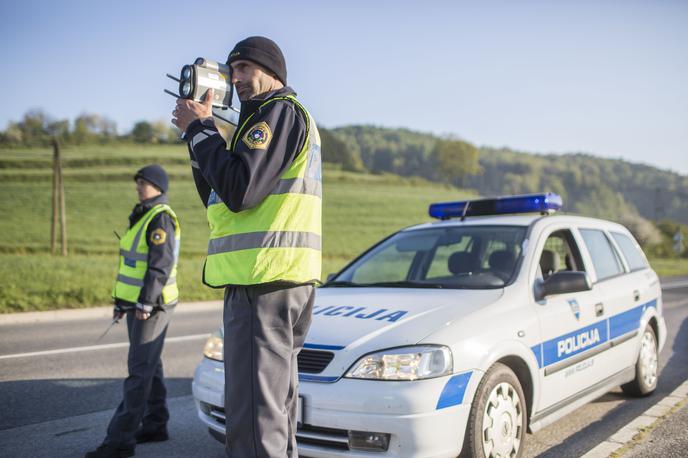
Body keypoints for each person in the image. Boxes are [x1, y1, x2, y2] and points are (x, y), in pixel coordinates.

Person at [172, 36, 322, 457]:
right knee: (273, 408)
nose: (234, 78)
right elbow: (221, 195)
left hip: (264, 280)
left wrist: (200, 128)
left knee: (255, 415)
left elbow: (240, 191)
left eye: (244, 68)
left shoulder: (275, 115)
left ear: (273, 72)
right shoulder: (265, 123)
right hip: (275, 279)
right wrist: (198, 138)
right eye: (231, 70)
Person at [86, 164, 181, 458]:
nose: (139, 187)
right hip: (139, 303)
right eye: (138, 182)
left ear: (158, 187)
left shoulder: (160, 217)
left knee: (139, 371)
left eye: (144, 183)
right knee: (149, 364)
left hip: (153, 305)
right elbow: (133, 265)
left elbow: (160, 265)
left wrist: (145, 303)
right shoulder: (142, 213)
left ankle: (119, 442)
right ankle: (155, 423)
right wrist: (123, 303)